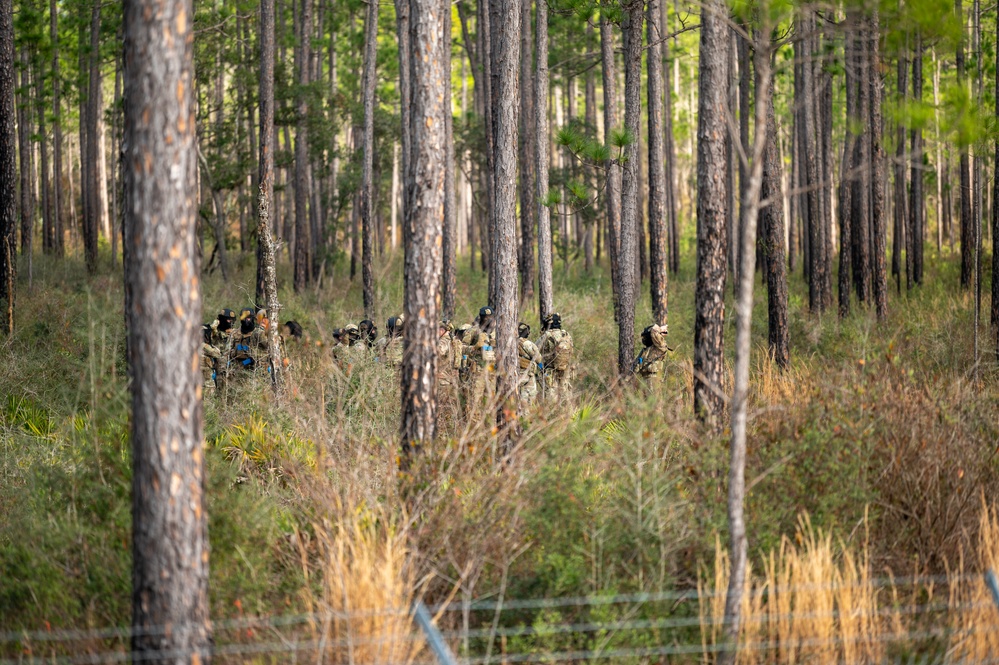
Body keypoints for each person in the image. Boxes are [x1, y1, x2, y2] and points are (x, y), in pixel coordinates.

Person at [538, 312, 574, 401]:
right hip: (565, 368)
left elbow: (535, 350)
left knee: (551, 397)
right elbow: (571, 351)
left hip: (550, 370)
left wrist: (540, 366)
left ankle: (553, 414)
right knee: (565, 395)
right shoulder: (566, 334)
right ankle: (569, 414)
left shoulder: (547, 335)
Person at [517, 322, 542, 404]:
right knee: (529, 399)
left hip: (517, 374)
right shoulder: (526, 343)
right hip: (527, 374)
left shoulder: (511, 342)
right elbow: (538, 358)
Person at [200, 323, 222, 396]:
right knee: (209, 398)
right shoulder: (203, 346)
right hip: (206, 380)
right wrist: (212, 346)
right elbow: (217, 354)